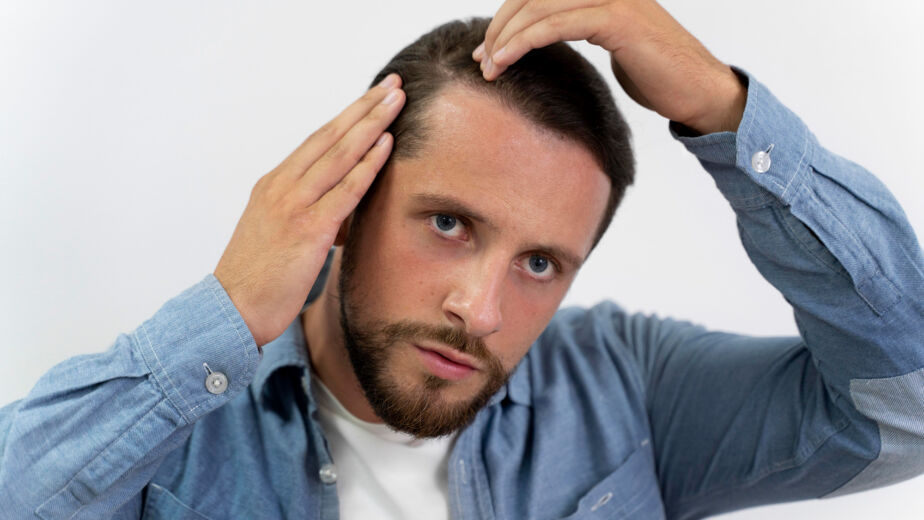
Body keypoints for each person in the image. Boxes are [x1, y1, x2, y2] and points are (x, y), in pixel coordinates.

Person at [1, 1, 922, 518]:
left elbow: (907, 409)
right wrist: (232, 311)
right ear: (350, 198)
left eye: (540, 264)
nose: (480, 312)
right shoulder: (178, 425)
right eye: (449, 224)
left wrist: (726, 111)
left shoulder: (630, 390)